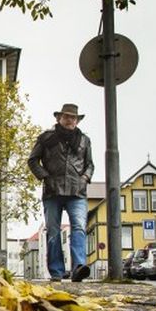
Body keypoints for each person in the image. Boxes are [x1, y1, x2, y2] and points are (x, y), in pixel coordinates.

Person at [28, 103, 94, 282]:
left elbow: (90, 165)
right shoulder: (46, 138)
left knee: (79, 228)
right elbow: (33, 160)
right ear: (59, 118)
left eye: (73, 117)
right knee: (53, 232)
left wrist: (85, 179)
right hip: (52, 191)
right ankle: (56, 272)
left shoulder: (84, 141)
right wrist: (45, 177)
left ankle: (78, 268)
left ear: (77, 120)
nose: (69, 120)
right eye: (66, 117)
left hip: (77, 192)